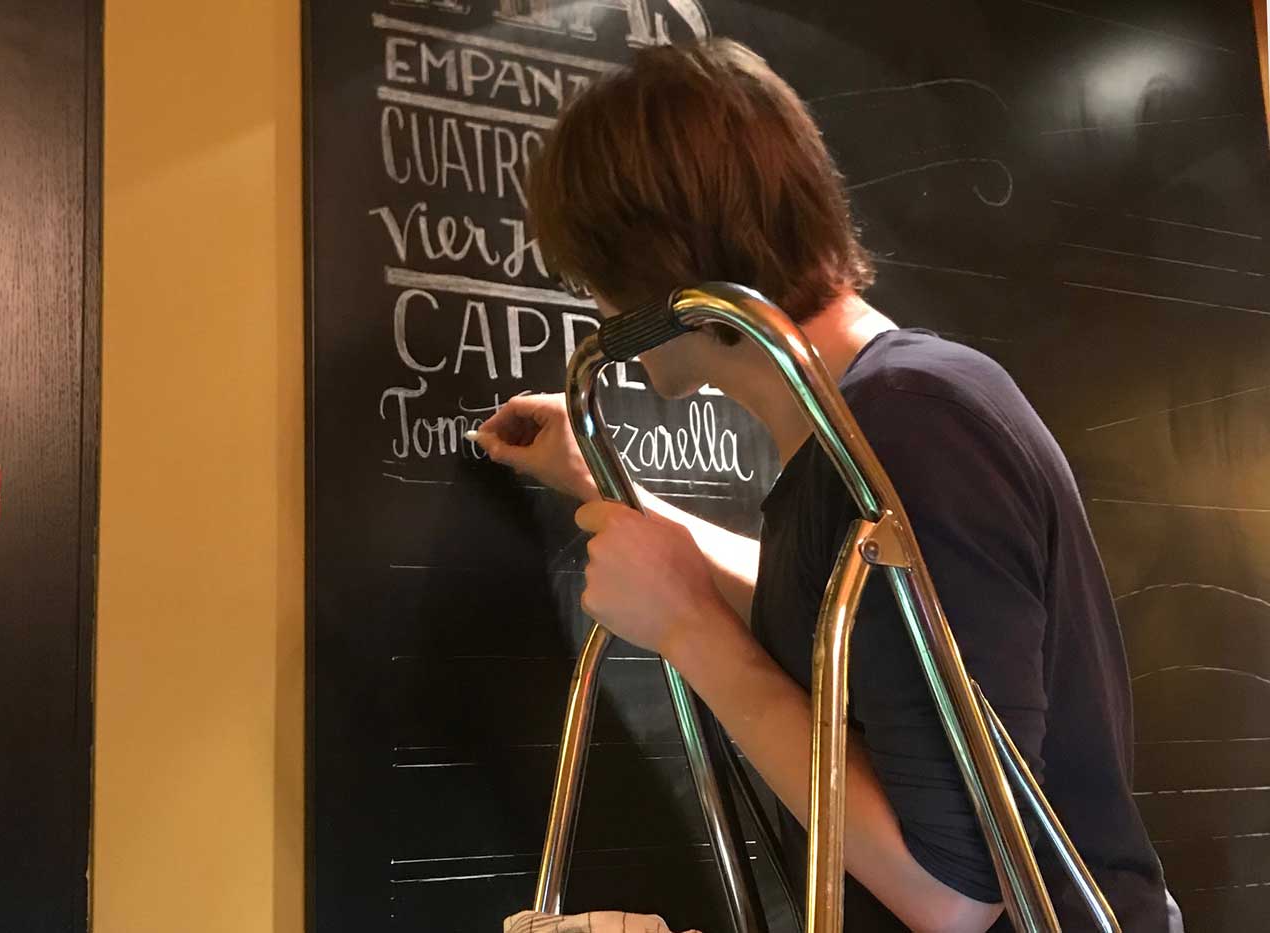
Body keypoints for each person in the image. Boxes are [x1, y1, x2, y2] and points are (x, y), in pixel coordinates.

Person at [473, 39, 1183, 933]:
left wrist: (691, 628)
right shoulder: (869, 431)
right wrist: (609, 487)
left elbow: (958, 894)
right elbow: (864, 604)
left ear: (659, 273)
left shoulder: (915, 423)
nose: (599, 313)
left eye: (594, 277)